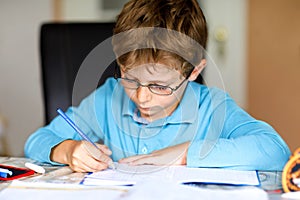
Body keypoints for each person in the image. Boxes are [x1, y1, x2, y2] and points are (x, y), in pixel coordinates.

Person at [25, 0, 290, 172]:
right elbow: (36, 141)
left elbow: (276, 151)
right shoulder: (108, 98)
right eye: (130, 78)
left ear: (194, 71)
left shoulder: (212, 107)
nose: (141, 97)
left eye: (160, 86)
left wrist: (186, 153)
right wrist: (68, 150)